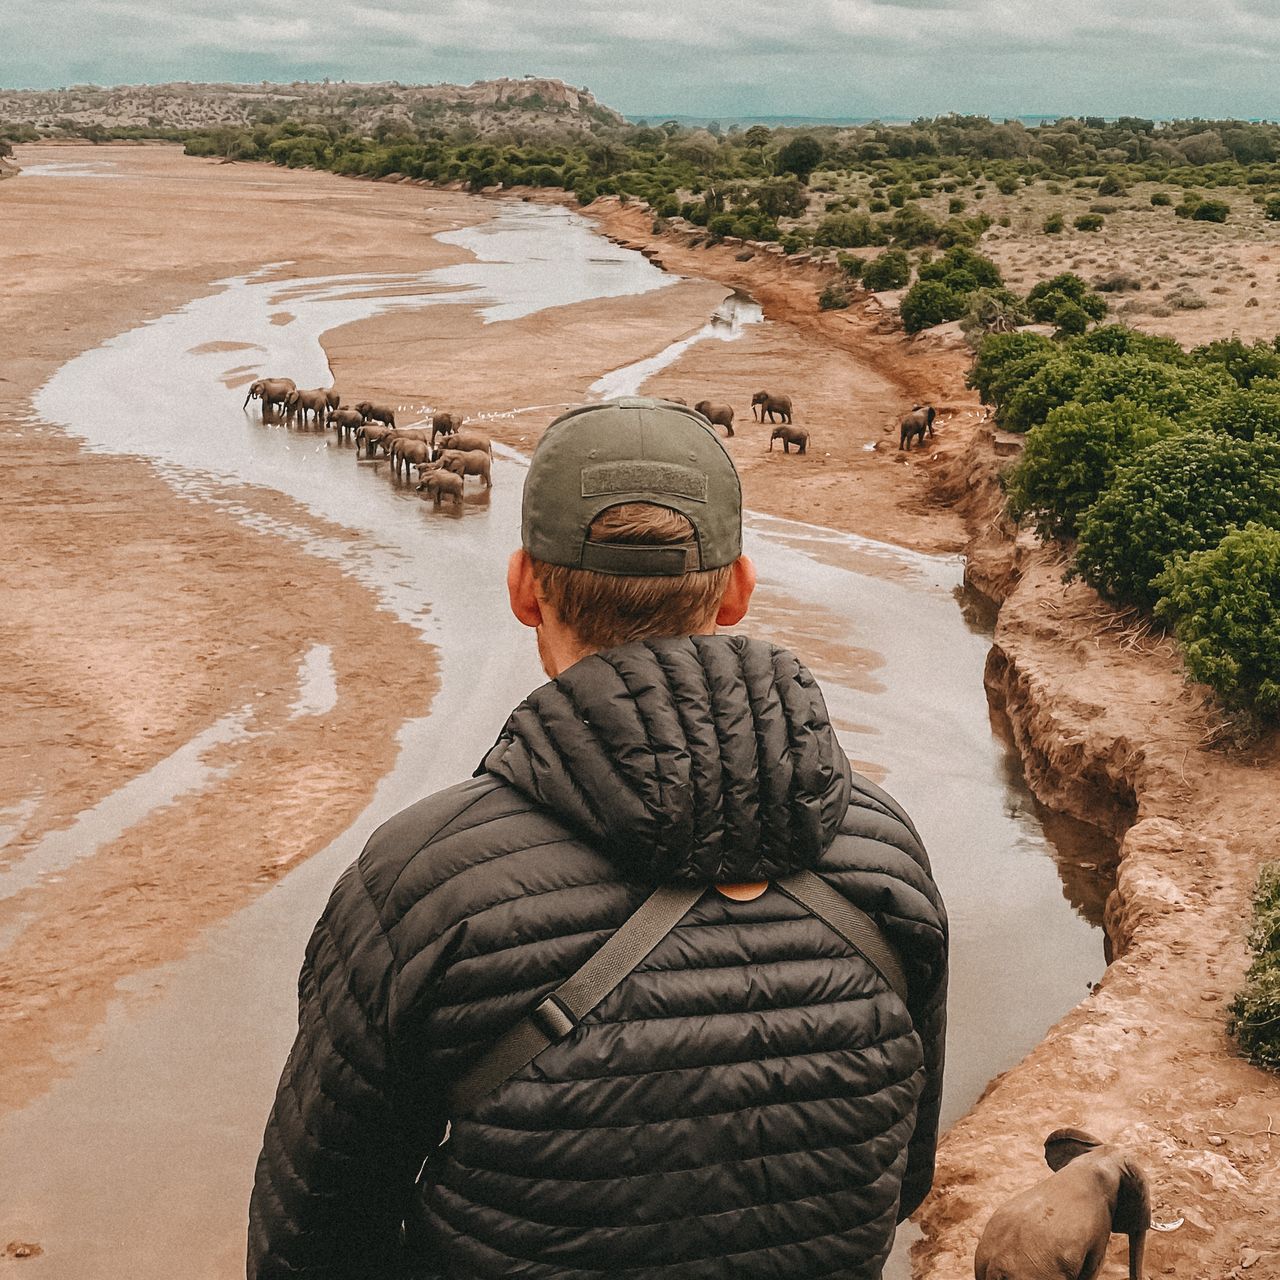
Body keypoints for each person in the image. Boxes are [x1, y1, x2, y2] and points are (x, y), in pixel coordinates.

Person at [248, 397, 948, 1280]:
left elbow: (310, 1243)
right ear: (737, 591)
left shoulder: (420, 885)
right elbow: (904, 1178)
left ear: (523, 588)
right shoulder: (886, 855)